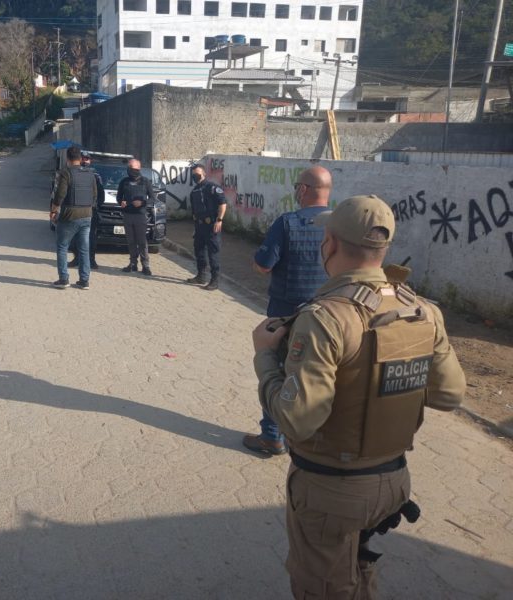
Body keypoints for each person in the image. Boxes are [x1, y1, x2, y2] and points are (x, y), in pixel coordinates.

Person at [252, 195, 466, 599]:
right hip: (393, 480)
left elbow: (298, 419)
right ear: (383, 249)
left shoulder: (325, 318)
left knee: (324, 588)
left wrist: (264, 357)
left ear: (329, 244)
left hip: (331, 488)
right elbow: (450, 395)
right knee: (358, 568)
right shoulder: (421, 310)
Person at [243, 166, 332, 456]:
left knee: (277, 372)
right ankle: (311, 436)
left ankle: (272, 436)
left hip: (285, 316)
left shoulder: (287, 223)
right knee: (320, 376)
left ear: (304, 189)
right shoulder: (341, 226)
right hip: (328, 318)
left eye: (297, 186)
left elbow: (263, 265)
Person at [50, 145, 97, 289]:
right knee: (84, 248)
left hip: (69, 215)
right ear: (80, 158)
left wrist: (54, 210)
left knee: (62, 247)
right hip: (87, 215)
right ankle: (84, 280)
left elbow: (60, 194)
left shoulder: (66, 173)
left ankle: (64, 279)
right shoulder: (90, 174)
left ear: (68, 158)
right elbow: (94, 195)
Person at [185, 163, 226, 290]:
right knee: (199, 251)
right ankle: (201, 276)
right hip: (199, 227)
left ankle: (214, 281)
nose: (195, 176)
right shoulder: (194, 191)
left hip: (212, 226)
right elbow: (194, 213)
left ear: (204, 173)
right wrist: (195, 228)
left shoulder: (212, 187)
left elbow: (222, 203)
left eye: (197, 174)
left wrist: (219, 220)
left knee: (213, 253)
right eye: (193, 175)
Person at [116, 158, 156, 276]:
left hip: (140, 216)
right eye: (129, 168)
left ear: (138, 169)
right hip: (128, 215)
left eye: (132, 168)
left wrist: (143, 203)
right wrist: (121, 202)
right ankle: (133, 264)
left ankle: (146, 265)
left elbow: (153, 198)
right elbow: (119, 197)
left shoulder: (145, 181)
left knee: (142, 241)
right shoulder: (124, 182)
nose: (130, 170)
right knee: (131, 241)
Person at [67, 151, 105, 270]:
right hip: (76, 209)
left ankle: (91, 260)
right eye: (83, 159)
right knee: (75, 237)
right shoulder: (72, 173)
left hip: (90, 211)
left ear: (90, 161)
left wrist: (95, 205)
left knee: (91, 238)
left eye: (87, 159)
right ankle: (77, 258)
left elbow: (101, 195)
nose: (85, 161)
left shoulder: (95, 176)